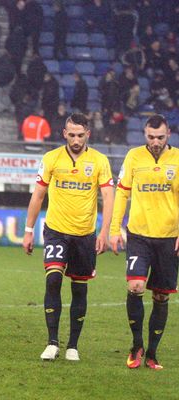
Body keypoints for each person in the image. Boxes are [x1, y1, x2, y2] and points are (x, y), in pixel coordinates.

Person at [23, 113, 114, 361]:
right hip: (55, 231)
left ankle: (73, 345)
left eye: (80, 135)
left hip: (84, 235)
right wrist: (28, 230)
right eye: (71, 134)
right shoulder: (51, 158)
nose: (75, 139)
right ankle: (52, 342)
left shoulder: (99, 161)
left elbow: (108, 197)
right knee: (53, 280)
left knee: (79, 289)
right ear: (64, 133)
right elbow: (38, 195)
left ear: (88, 135)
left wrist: (104, 231)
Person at [110, 114, 179, 370]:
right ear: (144, 134)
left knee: (161, 296)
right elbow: (122, 193)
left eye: (160, 137)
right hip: (139, 235)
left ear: (168, 134)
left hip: (169, 237)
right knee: (136, 286)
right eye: (150, 137)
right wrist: (115, 228)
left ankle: (152, 353)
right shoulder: (134, 157)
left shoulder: (178, 159)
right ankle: (136, 345)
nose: (155, 142)